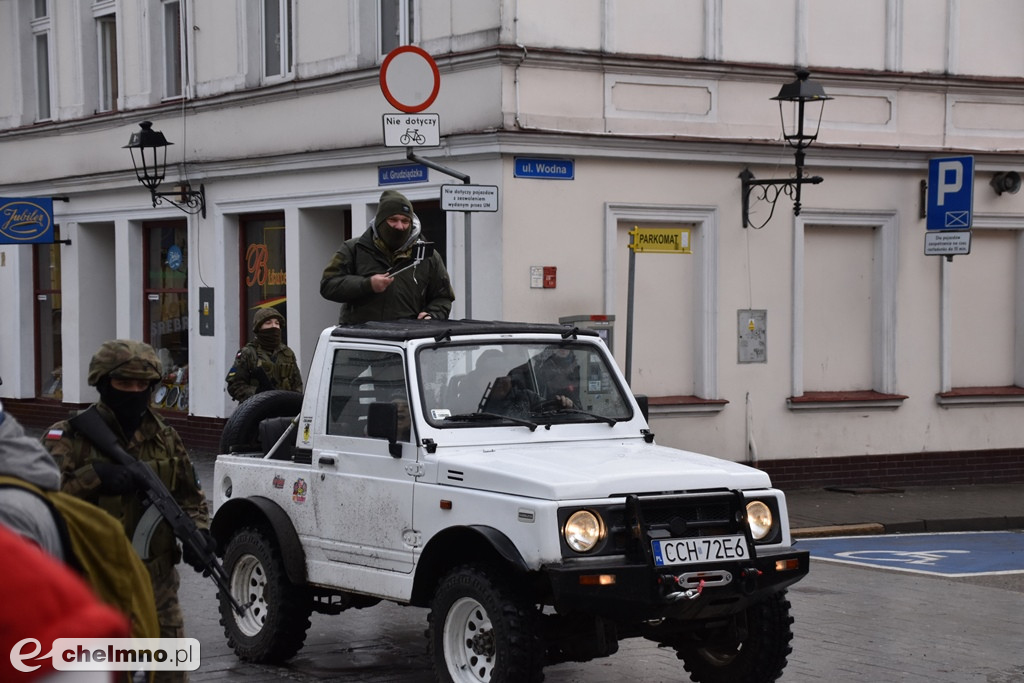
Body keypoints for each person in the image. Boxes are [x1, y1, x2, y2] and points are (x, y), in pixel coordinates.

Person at [42, 340, 211, 683]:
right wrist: (95, 478)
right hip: (90, 582)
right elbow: (41, 502)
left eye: (142, 385)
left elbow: (190, 498)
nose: (134, 392)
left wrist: (200, 533)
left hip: (157, 586)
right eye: (124, 384)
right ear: (104, 385)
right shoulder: (69, 437)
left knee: (169, 676)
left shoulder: (166, 437)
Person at [320, 189, 455, 323]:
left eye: (405, 221)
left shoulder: (427, 255)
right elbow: (328, 285)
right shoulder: (354, 248)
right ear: (380, 221)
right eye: (393, 220)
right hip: (361, 338)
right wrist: (367, 284)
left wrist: (432, 314)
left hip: (406, 338)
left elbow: (443, 297)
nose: (400, 227)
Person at [225, 308, 303, 402]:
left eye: (277, 323)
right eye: (268, 323)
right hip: (256, 410)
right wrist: (258, 393)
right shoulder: (248, 353)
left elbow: (297, 385)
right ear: (259, 327)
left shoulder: (287, 353)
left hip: (284, 409)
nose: (274, 326)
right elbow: (235, 385)